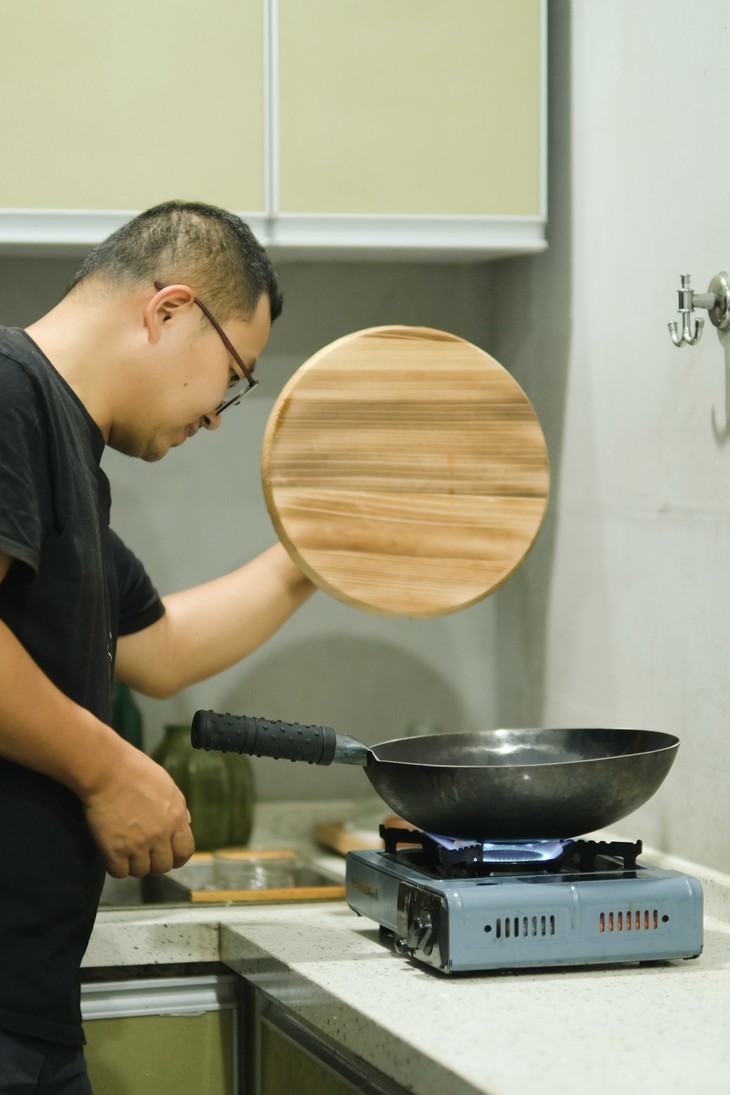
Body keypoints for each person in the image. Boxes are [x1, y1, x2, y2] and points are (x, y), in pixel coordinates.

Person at [0, 200, 316, 1092]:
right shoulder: (9, 392)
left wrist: (316, 553)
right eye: (233, 375)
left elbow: (160, 646)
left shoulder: (68, 450)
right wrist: (107, 770)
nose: (218, 415)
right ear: (170, 309)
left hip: (29, 1008)